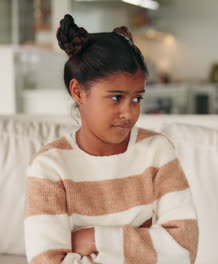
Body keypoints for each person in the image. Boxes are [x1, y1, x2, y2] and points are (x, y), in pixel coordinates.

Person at [24, 14, 198, 264]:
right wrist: (144, 242)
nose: (129, 112)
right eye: (116, 97)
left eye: (137, 98)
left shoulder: (157, 150)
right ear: (78, 92)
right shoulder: (49, 166)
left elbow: (184, 249)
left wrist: (93, 239)